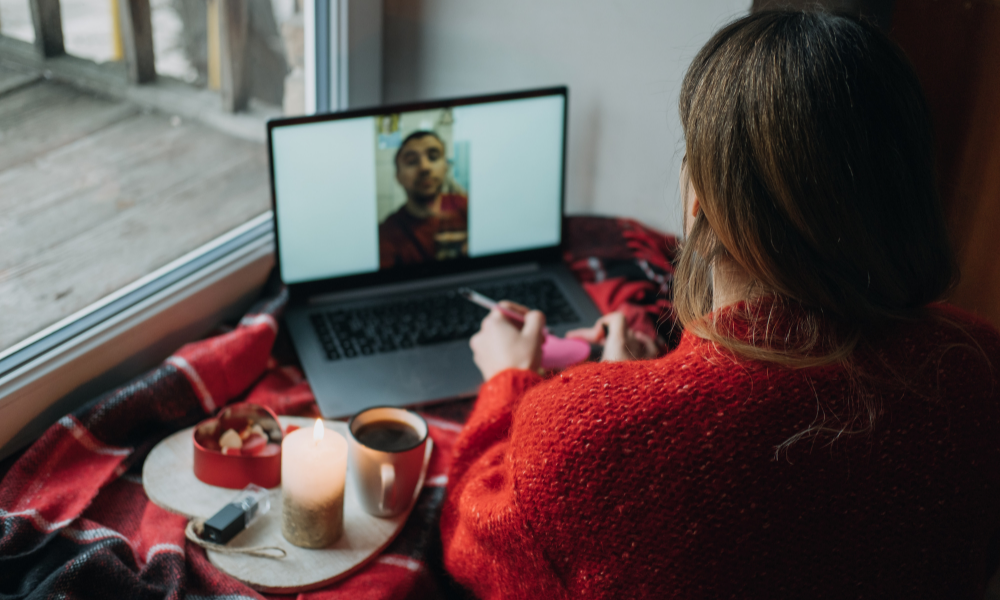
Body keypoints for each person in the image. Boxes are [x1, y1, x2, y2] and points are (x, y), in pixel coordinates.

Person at [440, 10, 1000, 599]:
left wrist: (508, 382)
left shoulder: (587, 438)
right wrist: (629, 393)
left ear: (699, 201)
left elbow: (470, 541)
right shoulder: (981, 367)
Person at [378, 130, 469, 269]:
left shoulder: (470, 209)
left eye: (433, 157)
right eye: (411, 161)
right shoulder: (387, 234)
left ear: (445, 167)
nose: (424, 167)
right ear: (398, 176)